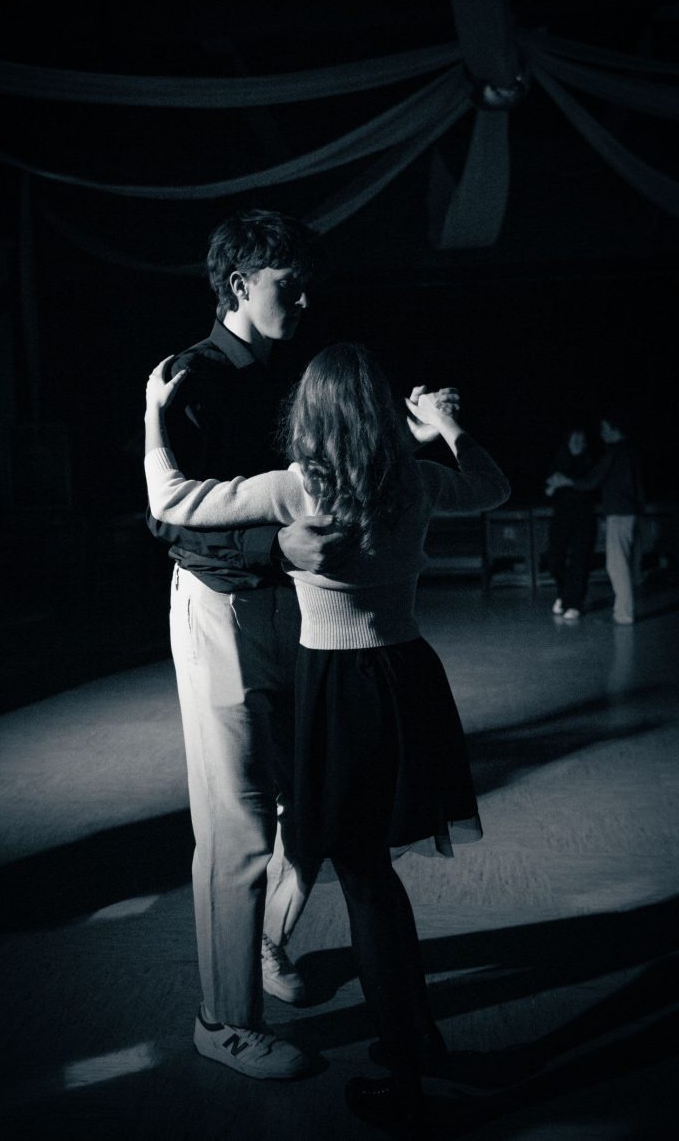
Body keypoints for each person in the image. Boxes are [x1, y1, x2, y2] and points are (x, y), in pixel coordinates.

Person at [144, 342, 511, 1133]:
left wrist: (150, 413)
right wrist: (447, 425)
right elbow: (493, 486)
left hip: (340, 693)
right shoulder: (413, 480)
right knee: (379, 877)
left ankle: (406, 1075)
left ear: (308, 413)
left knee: (365, 883)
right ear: (381, 411)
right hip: (409, 680)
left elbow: (171, 500)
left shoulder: (297, 487)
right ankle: (419, 1037)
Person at [146, 208, 351, 1081]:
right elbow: (169, 521)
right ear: (238, 285)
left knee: (316, 801)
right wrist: (275, 544)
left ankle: (263, 940)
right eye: (286, 286)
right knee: (236, 825)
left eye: (304, 287)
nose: (302, 301)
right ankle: (223, 1020)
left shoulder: (292, 373)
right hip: (220, 606)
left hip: (291, 606)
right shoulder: (187, 376)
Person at [548, 408, 644, 625]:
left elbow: (593, 481)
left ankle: (623, 614)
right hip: (623, 512)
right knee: (616, 564)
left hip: (618, 513)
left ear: (613, 429)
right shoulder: (626, 450)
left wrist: (566, 481)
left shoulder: (616, 451)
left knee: (617, 565)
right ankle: (621, 611)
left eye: (604, 428)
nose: (601, 433)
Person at [544, 425, 597, 621]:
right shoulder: (559, 461)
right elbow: (547, 490)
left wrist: (567, 482)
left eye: (581, 441)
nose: (578, 444)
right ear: (567, 442)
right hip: (561, 517)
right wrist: (552, 488)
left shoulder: (591, 463)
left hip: (584, 518)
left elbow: (591, 487)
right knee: (554, 559)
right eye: (574, 440)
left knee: (579, 562)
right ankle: (564, 594)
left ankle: (575, 603)